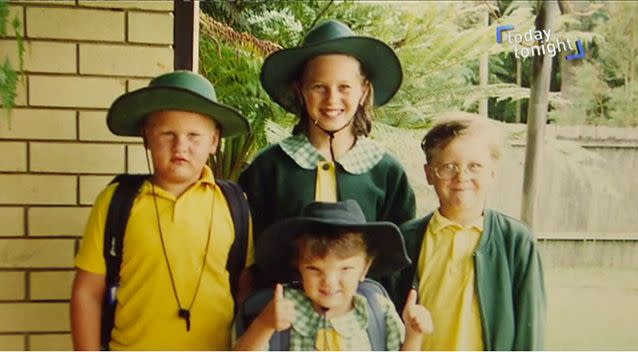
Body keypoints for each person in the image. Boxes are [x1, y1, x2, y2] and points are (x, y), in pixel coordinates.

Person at [70, 70, 253, 350]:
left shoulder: (233, 204)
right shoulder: (117, 201)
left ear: (214, 141)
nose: (181, 146)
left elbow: (245, 290)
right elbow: (87, 292)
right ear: (146, 136)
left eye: (194, 136)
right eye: (168, 134)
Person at [238, 19, 416, 289]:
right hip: (283, 320)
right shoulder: (269, 168)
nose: (332, 99)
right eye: (319, 87)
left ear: (363, 91)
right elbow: (250, 257)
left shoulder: (385, 170)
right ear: (300, 90)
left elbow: (400, 262)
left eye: (344, 87)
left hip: (364, 321)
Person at [393, 113, 546, 350]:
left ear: (493, 173)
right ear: (429, 173)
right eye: (448, 166)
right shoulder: (406, 240)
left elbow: (530, 330)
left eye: (474, 166)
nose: (461, 177)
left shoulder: (515, 241)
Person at [234, 200, 433, 351]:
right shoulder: (282, 310)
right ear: (298, 267)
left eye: (345, 269)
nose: (329, 282)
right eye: (314, 269)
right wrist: (264, 325)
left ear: (365, 268)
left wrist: (414, 335)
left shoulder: (377, 310)